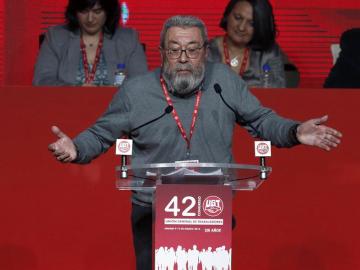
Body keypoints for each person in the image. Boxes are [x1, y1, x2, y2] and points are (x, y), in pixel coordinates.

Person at [48, 15, 342, 270]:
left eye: (192, 49)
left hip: (211, 207)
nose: (184, 58)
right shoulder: (136, 92)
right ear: (162, 52)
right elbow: (101, 133)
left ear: (205, 51)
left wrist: (294, 132)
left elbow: (262, 120)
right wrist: (77, 148)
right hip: (152, 211)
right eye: (175, 50)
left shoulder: (223, 82)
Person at [33, 0, 147, 86]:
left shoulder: (128, 38)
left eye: (97, 12)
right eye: (84, 11)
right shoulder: (56, 37)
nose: (90, 19)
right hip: (66, 108)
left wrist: (115, 92)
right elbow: (42, 81)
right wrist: (75, 91)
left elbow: (141, 83)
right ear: (75, 12)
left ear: (108, 11)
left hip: (116, 110)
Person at [207, 0, 286, 88]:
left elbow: (278, 93)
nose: (241, 27)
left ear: (260, 26)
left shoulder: (269, 53)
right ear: (227, 15)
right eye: (237, 18)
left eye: (251, 24)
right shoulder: (206, 51)